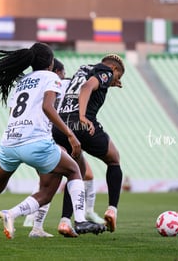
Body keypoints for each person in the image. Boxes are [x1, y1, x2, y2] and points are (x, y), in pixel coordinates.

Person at [0, 43, 105, 244]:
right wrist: (70, 134)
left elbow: (13, 114)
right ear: (51, 63)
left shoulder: (21, 82)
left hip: (9, 143)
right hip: (35, 143)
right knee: (73, 170)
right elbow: (47, 107)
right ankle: (79, 221)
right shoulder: (52, 78)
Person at [24, 58, 104, 238]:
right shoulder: (60, 83)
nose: (65, 75)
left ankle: (37, 225)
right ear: (56, 71)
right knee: (70, 177)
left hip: (36, 136)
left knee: (49, 183)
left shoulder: (39, 87)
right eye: (63, 72)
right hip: (59, 136)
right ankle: (75, 219)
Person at [52, 54, 125, 235]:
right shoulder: (106, 71)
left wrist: (109, 84)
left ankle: (64, 221)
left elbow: (81, 84)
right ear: (114, 69)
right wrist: (83, 117)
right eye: (118, 77)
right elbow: (86, 87)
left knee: (75, 171)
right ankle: (112, 210)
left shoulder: (84, 69)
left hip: (61, 126)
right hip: (81, 125)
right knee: (114, 159)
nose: (115, 80)